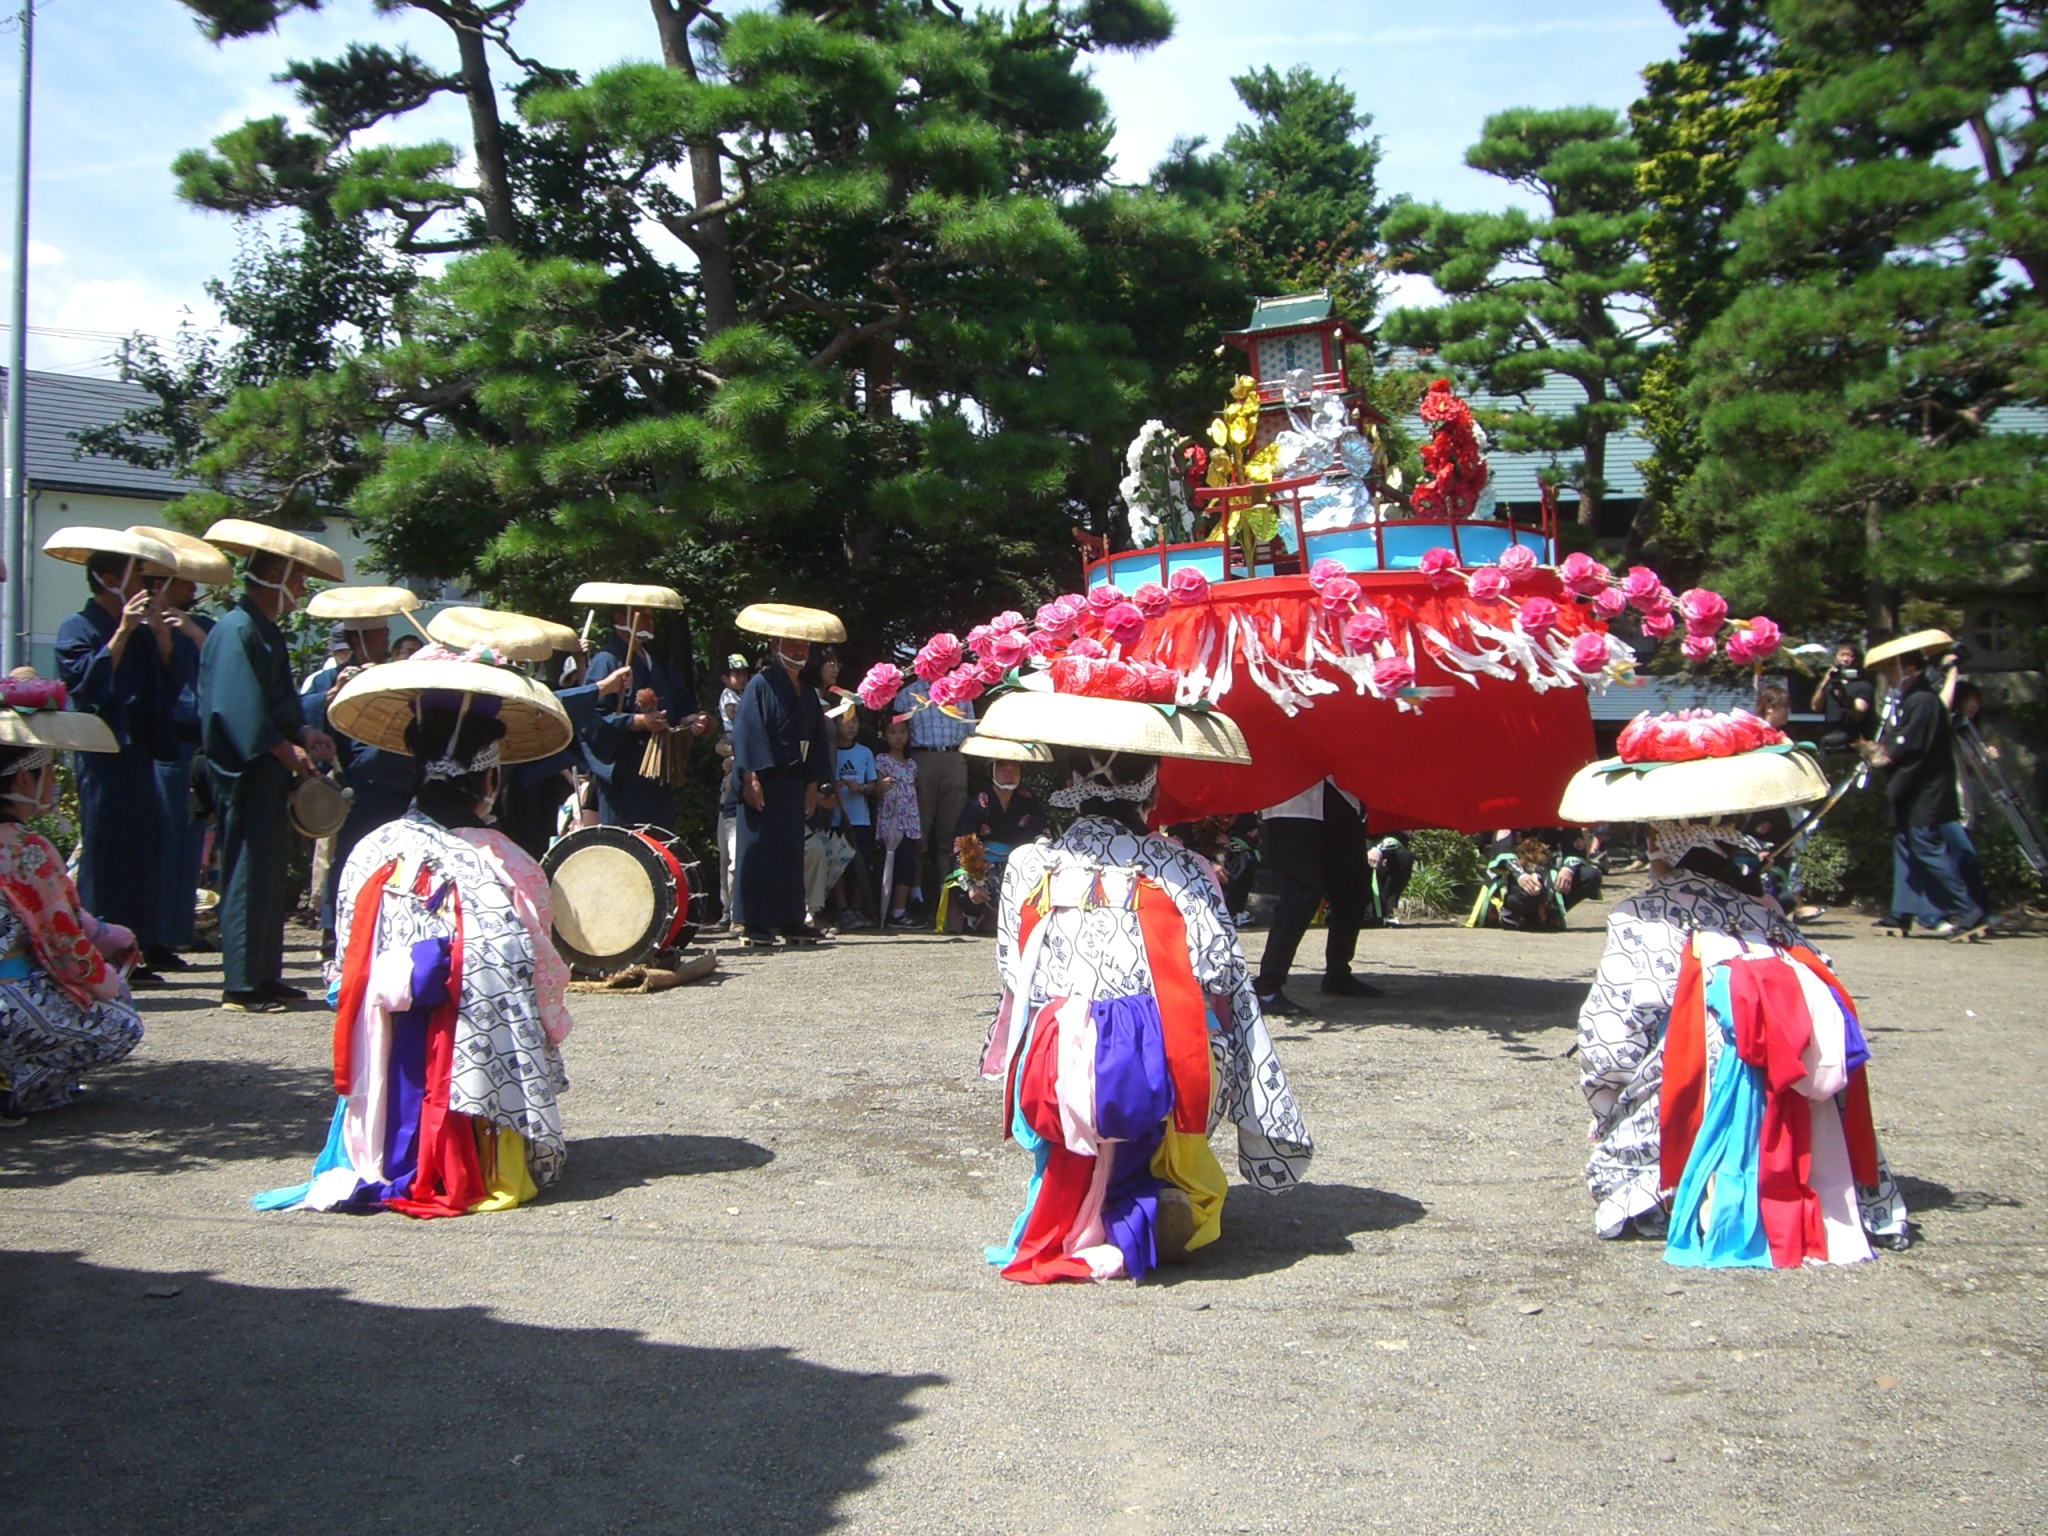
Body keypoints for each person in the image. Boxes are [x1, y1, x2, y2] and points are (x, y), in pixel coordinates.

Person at [976, 684, 1311, 1282]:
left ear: (1066, 778)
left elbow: (1011, 968)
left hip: (1054, 1065)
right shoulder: (1179, 867)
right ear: (1151, 782)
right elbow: (1220, 970)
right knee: (1205, 1029)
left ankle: (1081, 1201)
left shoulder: (1031, 863)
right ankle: (1156, 1190)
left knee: (1062, 1031)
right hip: (1146, 1069)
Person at [1562, 708, 1908, 1263]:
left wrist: (1605, 1109)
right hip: (1803, 1114)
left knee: (1665, 1064)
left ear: (1663, 843)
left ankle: (1678, 1190)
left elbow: (1610, 1037)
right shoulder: (1771, 918)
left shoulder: (1645, 915)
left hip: (1696, 1103)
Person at [255, 659, 575, 1215]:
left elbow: (340, 971)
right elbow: (539, 971)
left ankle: (376, 1148)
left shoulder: (370, 850)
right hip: (472, 1067)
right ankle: (482, 1154)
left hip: (381, 1060)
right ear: (488, 778)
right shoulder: (509, 863)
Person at [196, 521, 343, 1012]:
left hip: (267, 769)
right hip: (246, 769)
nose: (300, 591)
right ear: (275, 576)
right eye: (298, 581)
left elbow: (279, 705)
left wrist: (304, 733)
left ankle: (263, 973)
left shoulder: (263, 631)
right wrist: (284, 750)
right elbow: (236, 709)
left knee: (267, 872)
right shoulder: (234, 629)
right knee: (245, 870)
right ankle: (240, 982)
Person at [0, 686, 143, 1121]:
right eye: (48, 771)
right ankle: (17, 1088)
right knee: (120, 1026)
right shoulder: (26, 849)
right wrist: (108, 984)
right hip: (8, 997)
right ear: (25, 779)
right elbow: (65, 947)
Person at [50, 530, 181, 983]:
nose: (144, 584)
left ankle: (135, 948)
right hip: (102, 749)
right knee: (106, 849)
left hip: (138, 748)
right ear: (108, 579)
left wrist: (161, 635)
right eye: (137, 575)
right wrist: (123, 631)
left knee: (143, 850)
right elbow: (83, 685)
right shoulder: (77, 626)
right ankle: (100, 952)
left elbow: (166, 681)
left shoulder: (144, 631)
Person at [135, 528, 229, 968]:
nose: (193, 590)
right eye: (184, 582)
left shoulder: (204, 625)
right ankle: (147, 936)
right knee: (160, 842)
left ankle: (174, 934)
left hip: (197, 745)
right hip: (164, 743)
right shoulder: (139, 623)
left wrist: (191, 632)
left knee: (188, 847)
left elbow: (222, 664)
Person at [730, 604, 841, 947]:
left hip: (795, 781)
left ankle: (792, 918)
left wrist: (813, 783)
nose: (799, 651)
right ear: (776, 645)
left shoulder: (806, 691)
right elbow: (747, 733)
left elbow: (817, 738)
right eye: (792, 644)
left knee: (791, 852)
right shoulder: (761, 685)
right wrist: (750, 777)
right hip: (764, 778)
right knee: (758, 850)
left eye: (804, 646)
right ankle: (755, 922)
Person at [1864, 631, 1987, 938]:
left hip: (1925, 790)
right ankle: (1901, 912)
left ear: (1908, 668)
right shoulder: (1915, 698)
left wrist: (1884, 753)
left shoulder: (1921, 699)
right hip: (1918, 789)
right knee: (1905, 845)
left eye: (1892, 669)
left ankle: (1967, 906)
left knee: (1925, 847)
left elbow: (1908, 743)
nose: (1889, 677)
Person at [579, 589, 710, 829]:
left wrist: (688, 718)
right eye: (643, 616)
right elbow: (592, 717)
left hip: (657, 771)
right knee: (627, 844)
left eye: (651, 616)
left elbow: (676, 703)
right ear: (620, 619)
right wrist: (638, 721)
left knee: (657, 841)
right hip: (625, 772)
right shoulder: (607, 660)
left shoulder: (654, 660)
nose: (650, 622)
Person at [1253, 778, 1376, 1016]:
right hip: (1292, 799)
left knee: (1354, 890)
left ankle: (1338, 974)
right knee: (1300, 895)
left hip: (1340, 793)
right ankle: (1267, 986)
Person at [892, 672, 975, 916]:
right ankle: (915, 895)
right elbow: (896, 732)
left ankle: (948, 895)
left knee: (952, 831)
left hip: (953, 757)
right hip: (921, 758)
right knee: (919, 829)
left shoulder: (962, 690)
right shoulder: (907, 694)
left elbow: (971, 730)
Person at [947, 736, 1048, 935]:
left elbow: (1041, 834)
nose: (1010, 774)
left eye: (1015, 769)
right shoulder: (978, 803)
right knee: (957, 920)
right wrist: (972, 883)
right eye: (1003, 769)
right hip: (980, 868)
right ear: (991, 771)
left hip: (1016, 867)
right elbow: (963, 843)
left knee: (996, 925)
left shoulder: (1028, 801)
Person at [830, 707, 878, 930]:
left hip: (860, 818)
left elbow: (874, 785)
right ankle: (842, 908)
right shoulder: (830, 752)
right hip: (835, 817)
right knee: (837, 864)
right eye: (846, 721)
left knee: (861, 862)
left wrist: (862, 788)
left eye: (856, 721)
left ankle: (858, 907)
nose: (851, 726)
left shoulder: (865, 753)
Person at [875, 713, 921, 926]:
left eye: (902, 732)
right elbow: (877, 789)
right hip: (889, 821)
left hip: (909, 822)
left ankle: (898, 911)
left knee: (907, 864)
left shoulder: (911, 764)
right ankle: (882, 909)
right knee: (887, 862)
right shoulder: (882, 761)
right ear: (884, 735)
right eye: (893, 732)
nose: (898, 737)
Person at [1815, 642, 1875, 750]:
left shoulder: (1863, 685)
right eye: (1842, 655)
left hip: (1851, 742)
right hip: (1829, 740)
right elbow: (1816, 707)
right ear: (1836, 657)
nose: (1846, 659)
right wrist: (1825, 682)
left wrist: (1844, 699)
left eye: (1850, 655)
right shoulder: (1828, 685)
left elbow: (1859, 713)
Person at [1363, 829, 1414, 927]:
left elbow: (1401, 837)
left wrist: (1377, 850)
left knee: (1404, 856)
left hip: (1381, 858)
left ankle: (1387, 909)